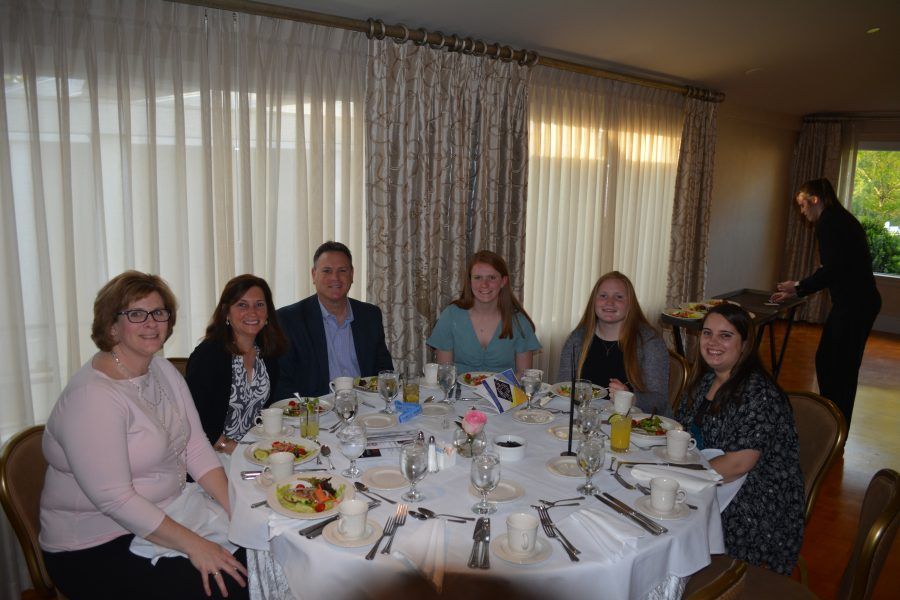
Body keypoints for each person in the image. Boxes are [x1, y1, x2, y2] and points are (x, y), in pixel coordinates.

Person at [40, 271, 248, 600]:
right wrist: (196, 545)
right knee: (229, 583)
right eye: (136, 314)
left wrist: (235, 509)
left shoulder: (161, 370)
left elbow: (195, 448)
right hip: (98, 545)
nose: (151, 323)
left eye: (159, 312)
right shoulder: (93, 397)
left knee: (258, 549)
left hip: (170, 509)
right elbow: (115, 499)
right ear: (111, 325)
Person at [676, 304, 804, 575]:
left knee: (668, 522)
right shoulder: (706, 379)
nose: (713, 342)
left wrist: (681, 476)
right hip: (714, 482)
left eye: (726, 335)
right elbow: (683, 432)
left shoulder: (759, 393)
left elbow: (738, 464)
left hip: (755, 504)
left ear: (745, 344)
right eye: (707, 333)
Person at [771, 178, 881, 426]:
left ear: (815, 200)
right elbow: (834, 267)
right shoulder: (840, 219)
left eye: (803, 205)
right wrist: (799, 287)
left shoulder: (828, 223)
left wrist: (798, 287)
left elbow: (832, 270)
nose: (802, 212)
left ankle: (834, 424)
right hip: (857, 303)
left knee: (838, 366)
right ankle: (834, 420)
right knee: (833, 362)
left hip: (855, 305)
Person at [274, 241, 393, 397]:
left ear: (352, 275)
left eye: (342, 270)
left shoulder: (370, 315)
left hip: (367, 407)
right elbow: (282, 381)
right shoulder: (288, 319)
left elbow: (384, 371)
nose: (335, 278)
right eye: (327, 271)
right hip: (317, 411)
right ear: (313, 275)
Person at [186, 275, 287, 454]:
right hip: (212, 454)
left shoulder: (268, 354)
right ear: (226, 312)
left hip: (254, 450)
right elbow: (194, 421)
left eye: (259, 304)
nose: (252, 312)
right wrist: (236, 450)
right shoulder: (208, 356)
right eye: (242, 305)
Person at [558, 271, 669, 416]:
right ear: (594, 301)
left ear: (630, 304)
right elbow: (564, 387)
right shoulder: (577, 338)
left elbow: (659, 402)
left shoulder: (649, 342)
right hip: (585, 419)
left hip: (633, 425)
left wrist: (631, 398)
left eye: (619, 297)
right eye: (603, 296)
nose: (609, 302)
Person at [427, 250, 541, 374]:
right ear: (470, 282)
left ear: (503, 281)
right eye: (478, 278)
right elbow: (445, 373)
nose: (484, 284)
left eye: (492, 278)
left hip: (503, 393)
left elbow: (524, 376)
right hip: (458, 392)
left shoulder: (519, 322)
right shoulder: (451, 316)